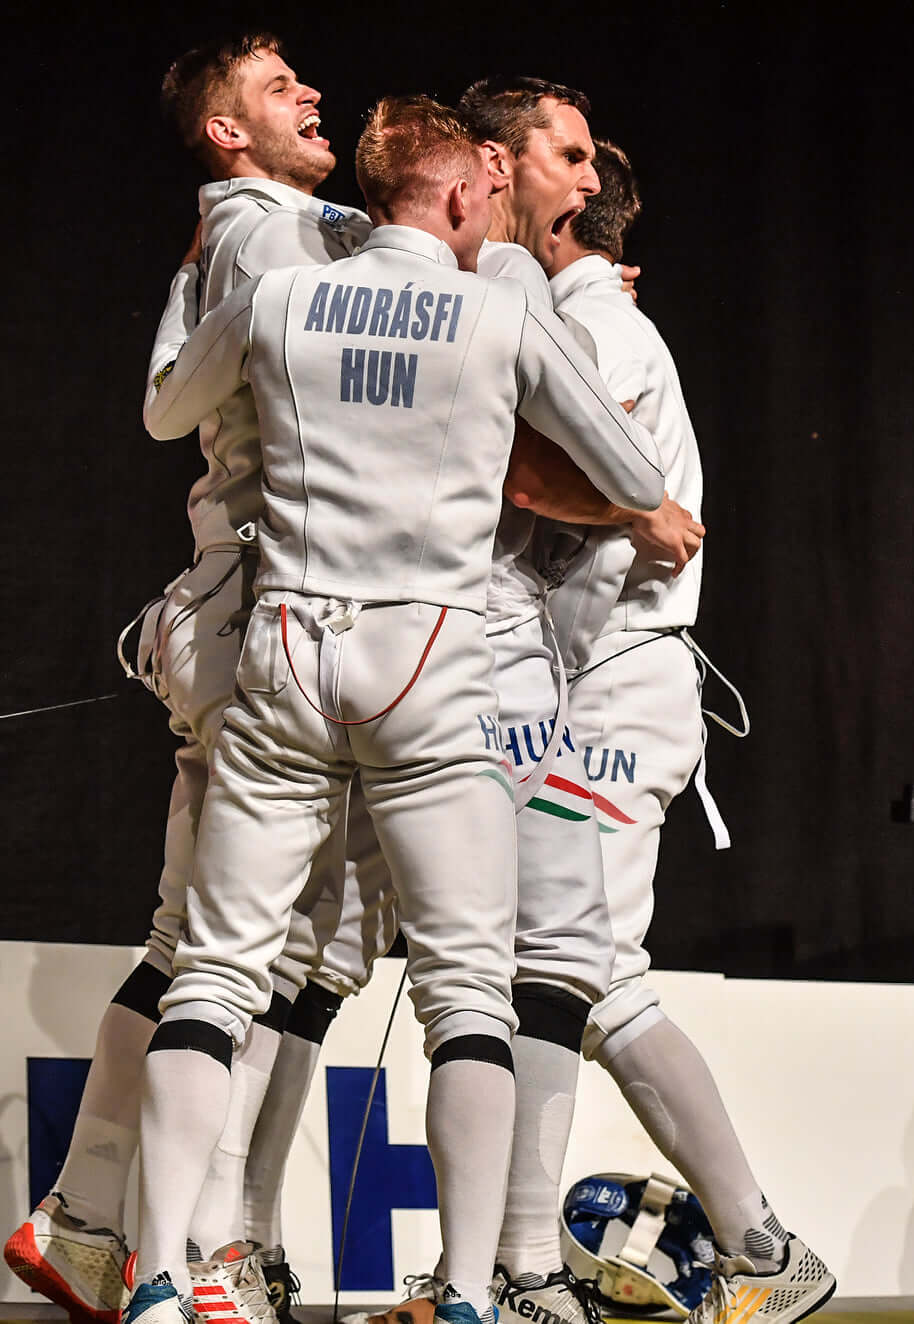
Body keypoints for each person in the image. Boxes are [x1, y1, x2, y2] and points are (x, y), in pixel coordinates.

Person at [126, 93, 663, 1324]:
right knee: (467, 992)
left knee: (214, 974)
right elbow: (635, 478)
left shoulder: (276, 297)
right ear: (463, 194)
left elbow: (164, 411)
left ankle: (157, 1279)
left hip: (288, 652)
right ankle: (467, 1291)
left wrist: (203, 288)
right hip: (428, 662)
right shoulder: (500, 309)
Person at [5, 34, 392, 1324]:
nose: (313, 94)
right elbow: (225, 408)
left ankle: (84, 1218)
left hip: (239, 613)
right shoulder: (268, 237)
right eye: (280, 88)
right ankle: (206, 1250)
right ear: (227, 131)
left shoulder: (248, 231)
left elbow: (173, 391)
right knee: (251, 954)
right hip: (276, 615)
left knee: (197, 943)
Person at [512, 137, 834, 1324]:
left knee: (563, 972)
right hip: (607, 686)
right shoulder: (585, 320)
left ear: (563, 218)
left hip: (608, 687)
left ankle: (534, 1266)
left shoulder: (598, 332)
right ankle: (755, 1249)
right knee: (585, 978)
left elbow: (549, 491)